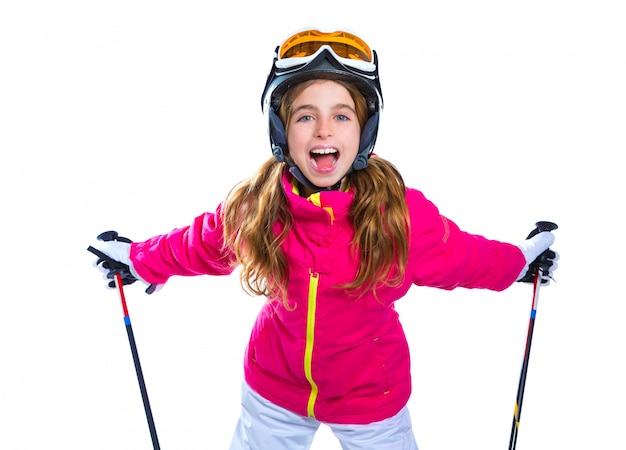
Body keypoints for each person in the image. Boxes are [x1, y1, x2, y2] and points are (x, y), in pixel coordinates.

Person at [90, 28, 559, 450]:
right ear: (281, 131)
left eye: (342, 115)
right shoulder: (258, 206)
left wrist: (518, 263)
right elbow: (201, 243)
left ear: (364, 131)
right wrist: (139, 260)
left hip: (371, 396)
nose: (324, 130)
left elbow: (461, 256)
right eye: (304, 117)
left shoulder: (397, 213)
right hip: (274, 388)